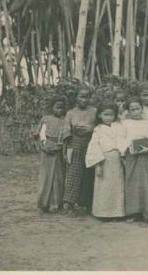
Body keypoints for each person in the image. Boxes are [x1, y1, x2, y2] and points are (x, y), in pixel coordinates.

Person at [122, 98, 148, 226]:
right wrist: (126, 148)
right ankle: (133, 212)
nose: (136, 112)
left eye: (138, 108)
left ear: (142, 109)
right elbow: (121, 138)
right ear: (128, 111)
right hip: (131, 156)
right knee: (131, 182)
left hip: (144, 157)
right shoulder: (125, 123)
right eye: (132, 109)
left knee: (145, 182)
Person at [85, 102, 127, 221]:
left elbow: (123, 141)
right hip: (104, 160)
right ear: (99, 115)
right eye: (106, 114)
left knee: (117, 186)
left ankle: (117, 213)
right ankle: (103, 213)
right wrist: (98, 164)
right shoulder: (98, 129)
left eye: (111, 115)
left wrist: (123, 154)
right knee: (104, 187)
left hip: (117, 159)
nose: (109, 117)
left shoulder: (118, 127)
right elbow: (94, 146)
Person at [62, 88, 97, 217]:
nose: (84, 100)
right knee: (73, 173)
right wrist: (73, 131)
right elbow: (65, 129)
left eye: (86, 97)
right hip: (74, 143)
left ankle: (88, 204)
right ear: (76, 97)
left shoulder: (94, 111)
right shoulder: (70, 113)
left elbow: (100, 125)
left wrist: (90, 129)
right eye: (81, 97)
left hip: (90, 143)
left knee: (89, 173)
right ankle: (69, 204)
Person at [35, 96, 67, 214]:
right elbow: (42, 134)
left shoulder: (65, 120)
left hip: (59, 150)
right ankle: (43, 204)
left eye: (62, 108)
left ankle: (56, 203)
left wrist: (61, 146)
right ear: (51, 107)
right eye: (57, 107)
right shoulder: (46, 119)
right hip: (47, 150)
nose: (60, 110)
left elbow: (66, 136)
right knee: (46, 177)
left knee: (58, 178)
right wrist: (44, 145)